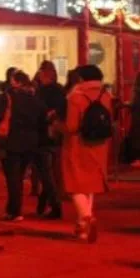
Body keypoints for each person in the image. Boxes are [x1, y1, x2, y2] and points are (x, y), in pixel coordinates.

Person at [62, 64, 112, 243]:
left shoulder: (75, 96)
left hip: (78, 145)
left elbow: (72, 126)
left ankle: (86, 218)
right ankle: (82, 227)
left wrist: (57, 126)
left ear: (81, 78)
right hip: (99, 145)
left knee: (75, 185)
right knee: (90, 185)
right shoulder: (105, 95)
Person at [0, 71, 48, 221]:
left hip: (13, 140)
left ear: (17, 82)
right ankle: (14, 210)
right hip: (31, 142)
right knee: (20, 175)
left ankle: (14, 210)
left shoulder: (10, 98)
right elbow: (43, 120)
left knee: (13, 178)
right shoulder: (36, 99)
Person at [35, 61, 66, 218]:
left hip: (43, 134)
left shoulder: (41, 92)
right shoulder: (60, 90)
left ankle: (54, 205)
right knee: (50, 171)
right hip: (56, 134)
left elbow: (39, 112)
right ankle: (45, 202)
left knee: (45, 172)